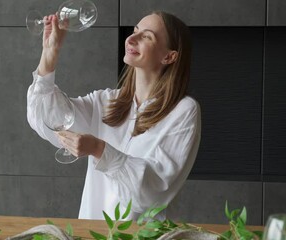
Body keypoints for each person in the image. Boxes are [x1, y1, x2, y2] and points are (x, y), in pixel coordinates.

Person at [27, 11, 201, 220]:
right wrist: (49, 54)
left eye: (147, 36)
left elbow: (154, 191)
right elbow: (47, 120)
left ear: (169, 56)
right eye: (135, 31)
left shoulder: (183, 111)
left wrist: (99, 149)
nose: (131, 38)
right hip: (93, 232)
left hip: (143, 235)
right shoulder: (106, 102)